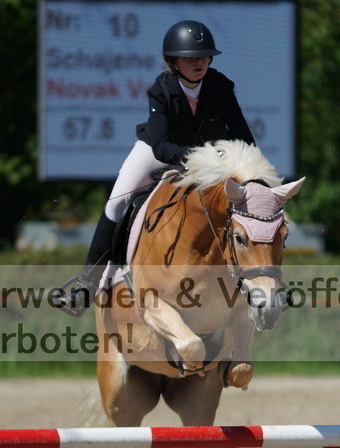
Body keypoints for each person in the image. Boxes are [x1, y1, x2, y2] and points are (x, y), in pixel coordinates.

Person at [59, 19, 256, 316]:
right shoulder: (161, 89)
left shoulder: (221, 86)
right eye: (191, 58)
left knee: (248, 203)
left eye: (204, 56)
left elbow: (243, 136)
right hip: (158, 153)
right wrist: (201, 156)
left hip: (210, 157)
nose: (199, 62)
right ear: (174, 61)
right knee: (117, 202)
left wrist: (249, 172)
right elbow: (162, 146)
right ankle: (87, 283)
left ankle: (263, 282)